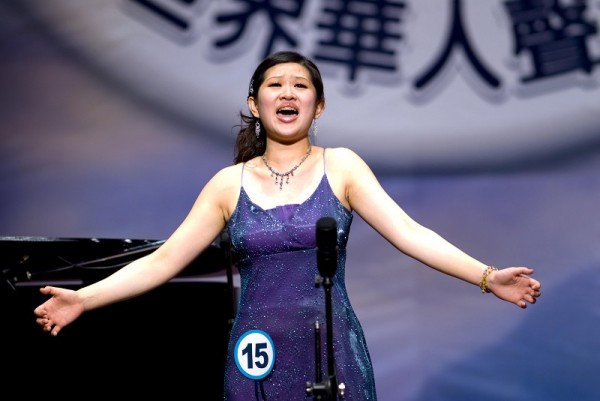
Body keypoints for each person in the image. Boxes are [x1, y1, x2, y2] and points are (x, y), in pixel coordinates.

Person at [34, 50, 542, 400]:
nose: (288, 93)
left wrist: (487, 276)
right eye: (275, 85)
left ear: (318, 107)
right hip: (257, 356)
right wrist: (83, 299)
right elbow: (164, 261)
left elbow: (410, 234)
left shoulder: (342, 166)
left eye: (301, 86)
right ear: (254, 104)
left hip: (332, 352)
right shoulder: (227, 184)